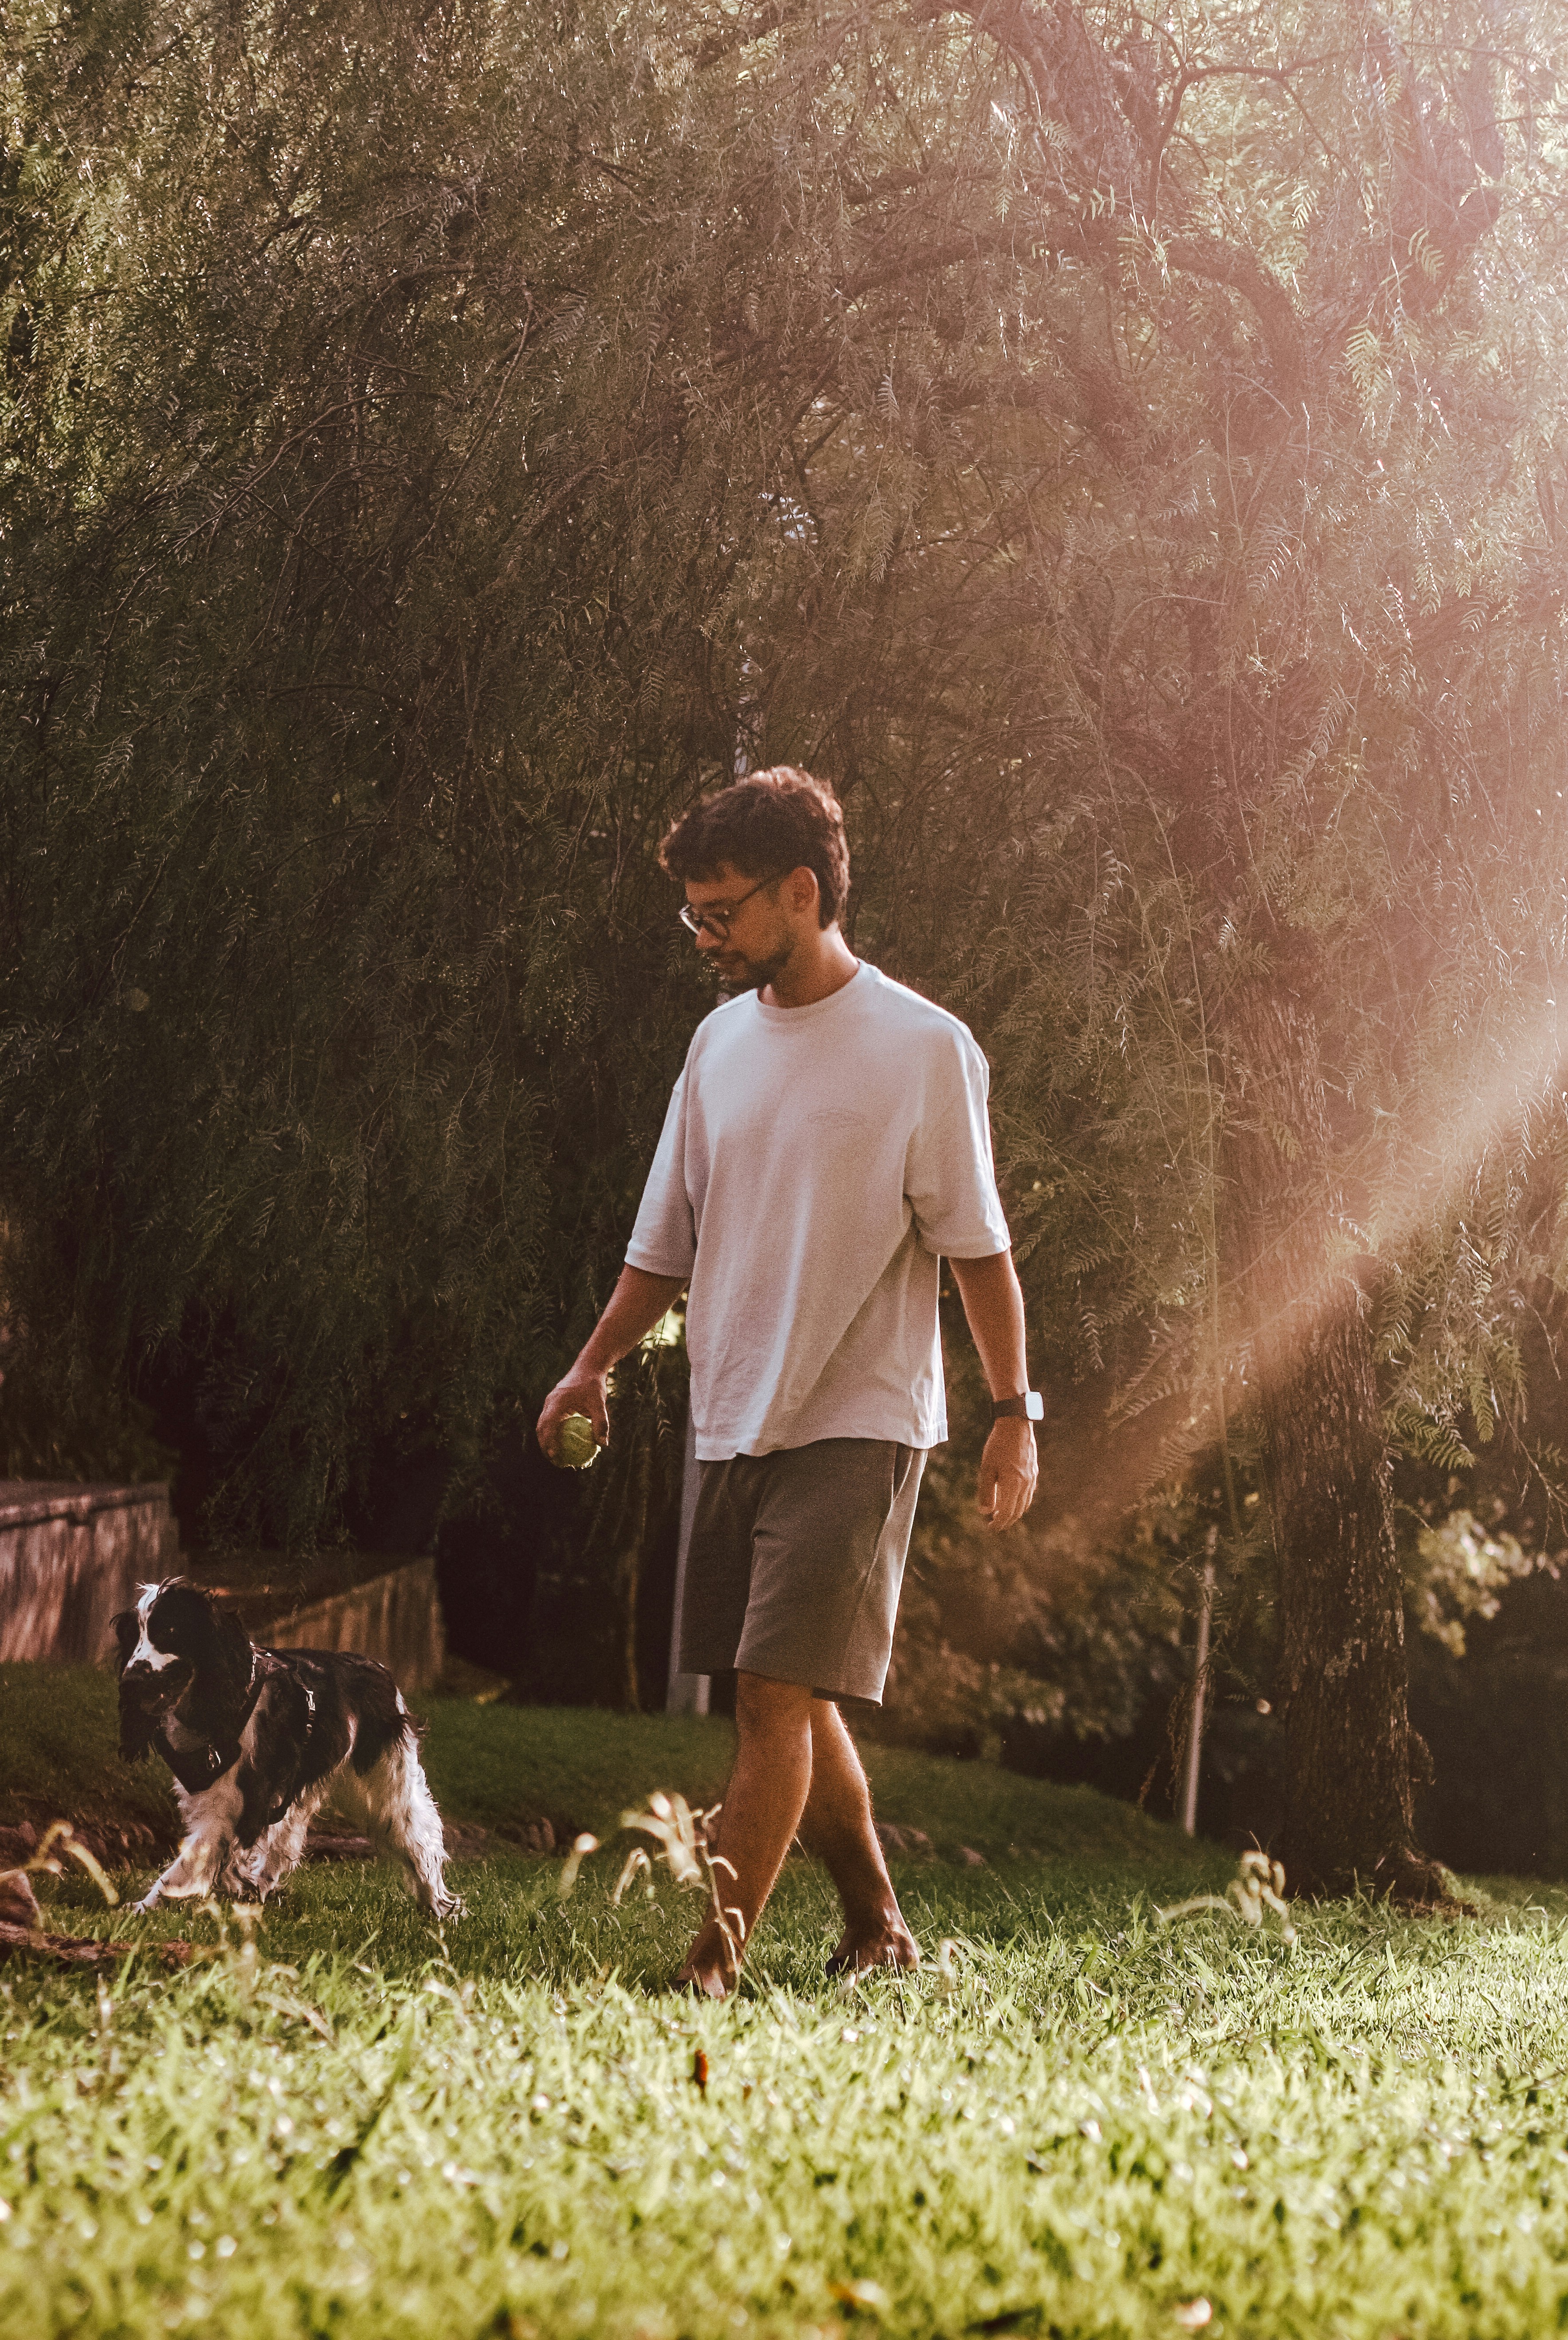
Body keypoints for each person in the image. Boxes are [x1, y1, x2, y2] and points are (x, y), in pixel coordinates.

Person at [536, 766, 1040, 1997]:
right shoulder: (717, 1047)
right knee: (792, 1698)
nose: (705, 938)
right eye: (695, 915)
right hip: (733, 1411)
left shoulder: (925, 1049)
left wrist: (1014, 1410)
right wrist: (593, 1365)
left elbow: (980, 1250)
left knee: (773, 1689)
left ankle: (713, 1962)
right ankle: (877, 1923)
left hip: (860, 1420)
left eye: (724, 912)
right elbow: (664, 1243)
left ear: (802, 892)